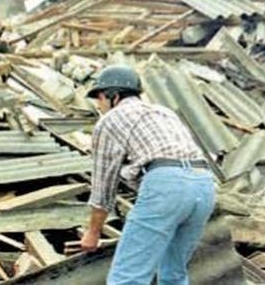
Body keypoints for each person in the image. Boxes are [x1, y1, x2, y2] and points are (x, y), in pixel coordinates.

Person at [81, 65, 216, 284]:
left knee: (127, 277)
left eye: (99, 99)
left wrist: (93, 232)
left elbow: (103, 186)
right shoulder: (163, 111)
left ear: (112, 96)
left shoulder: (109, 121)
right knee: (174, 274)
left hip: (167, 186)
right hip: (204, 185)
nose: (99, 106)